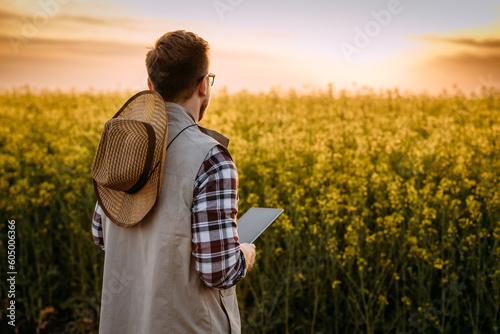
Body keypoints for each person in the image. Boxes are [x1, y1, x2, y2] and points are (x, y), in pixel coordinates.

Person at [91, 30, 256, 333]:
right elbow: (218, 271)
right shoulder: (211, 158)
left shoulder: (123, 147)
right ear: (204, 85)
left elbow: (101, 236)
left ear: (151, 86)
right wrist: (245, 253)